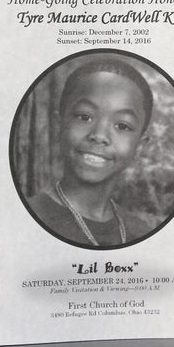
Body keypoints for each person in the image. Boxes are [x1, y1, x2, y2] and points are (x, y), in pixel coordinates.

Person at [28, 55, 154, 247]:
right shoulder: (27, 217)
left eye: (122, 126)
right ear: (59, 125)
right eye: (84, 117)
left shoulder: (143, 233)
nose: (99, 135)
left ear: (140, 145)